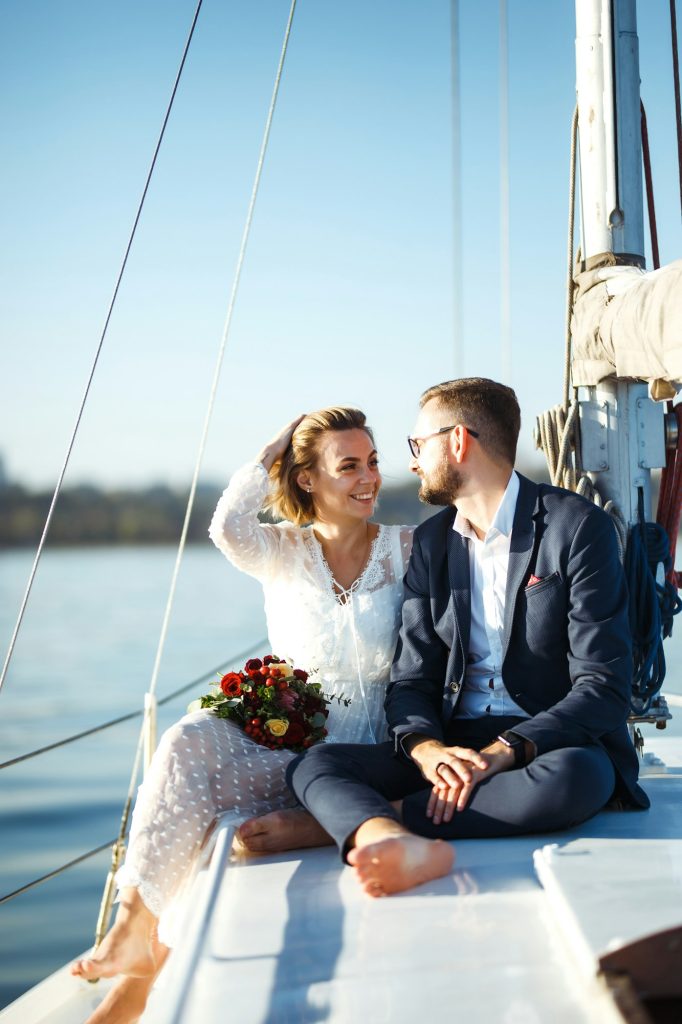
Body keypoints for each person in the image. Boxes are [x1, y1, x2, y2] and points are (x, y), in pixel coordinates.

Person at [71, 406, 414, 1024]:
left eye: (372, 462)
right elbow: (226, 525)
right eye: (348, 466)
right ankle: (132, 925)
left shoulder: (408, 550)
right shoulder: (281, 550)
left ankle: (138, 984)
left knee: (216, 814)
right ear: (306, 479)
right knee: (187, 742)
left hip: (365, 748)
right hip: (290, 743)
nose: (369, 479)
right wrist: (273, 450)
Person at [288, 377, 649, 898]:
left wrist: (505, 752)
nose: (411, 462)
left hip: (541, 745)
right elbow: (412, 679)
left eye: (418, 445)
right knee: (319, 762)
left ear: (457, 441)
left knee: (578, 777)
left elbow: (603, 687)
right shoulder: (432, 543)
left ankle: (364, 824)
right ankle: (388, 834)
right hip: (454, 742)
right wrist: (429, 750)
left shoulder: (576, 527)